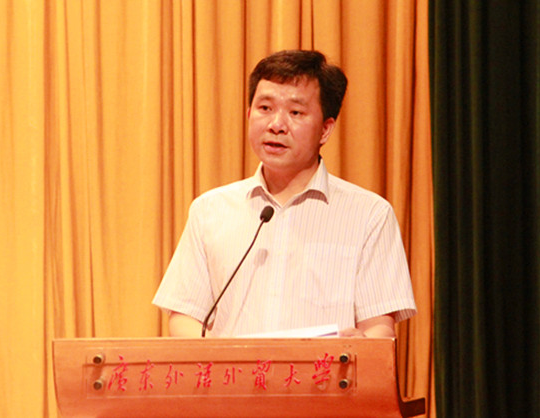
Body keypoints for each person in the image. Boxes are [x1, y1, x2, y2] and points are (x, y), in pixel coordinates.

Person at [152, 50, 416, 337]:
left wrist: (360, 345)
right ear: (249, 114)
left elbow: (378, 326)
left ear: (325, 130)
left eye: (295, 112)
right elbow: (185, 316)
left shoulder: (369, 215)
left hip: (325, 369)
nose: (276, 125)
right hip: (233, 369)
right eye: (265, 108)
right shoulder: (209, 211)